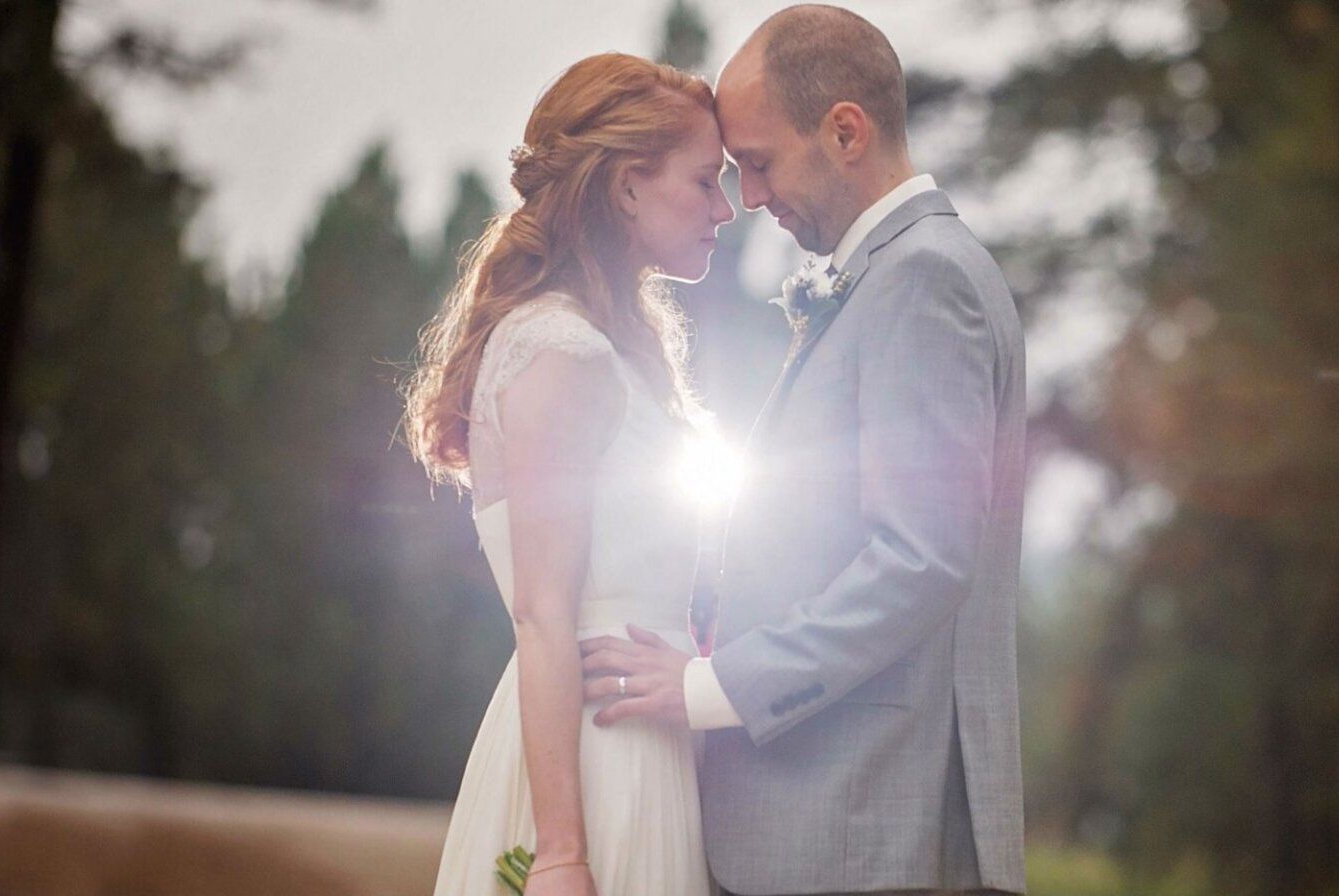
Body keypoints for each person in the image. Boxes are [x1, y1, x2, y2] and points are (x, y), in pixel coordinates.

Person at [579, 7, 1029, 895]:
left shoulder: (923, 278)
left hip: (864, 836)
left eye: (758, 161)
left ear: (846, 132)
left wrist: (712, 687)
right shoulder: (895, 275)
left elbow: (922, 559)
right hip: (844, 833)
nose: (748, 196)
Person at [403, 51, 733, 896]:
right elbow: (543, 612)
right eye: (705, 182)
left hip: (645, 740)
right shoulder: (561, 351)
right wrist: (559, 855)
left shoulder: (610, 350)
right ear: (627, 187)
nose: (725, 208)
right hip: (597, 758)